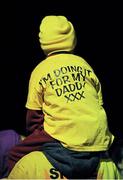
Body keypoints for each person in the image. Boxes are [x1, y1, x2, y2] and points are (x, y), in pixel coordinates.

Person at [7, 15, 115, 179]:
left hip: (61, 134)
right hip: (97, 136)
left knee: (15, 154)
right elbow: (99, 103)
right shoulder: (85, 65)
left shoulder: (40, 70)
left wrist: (38, 136)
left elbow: (33, 117)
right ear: (72, 39)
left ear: (43, 41)